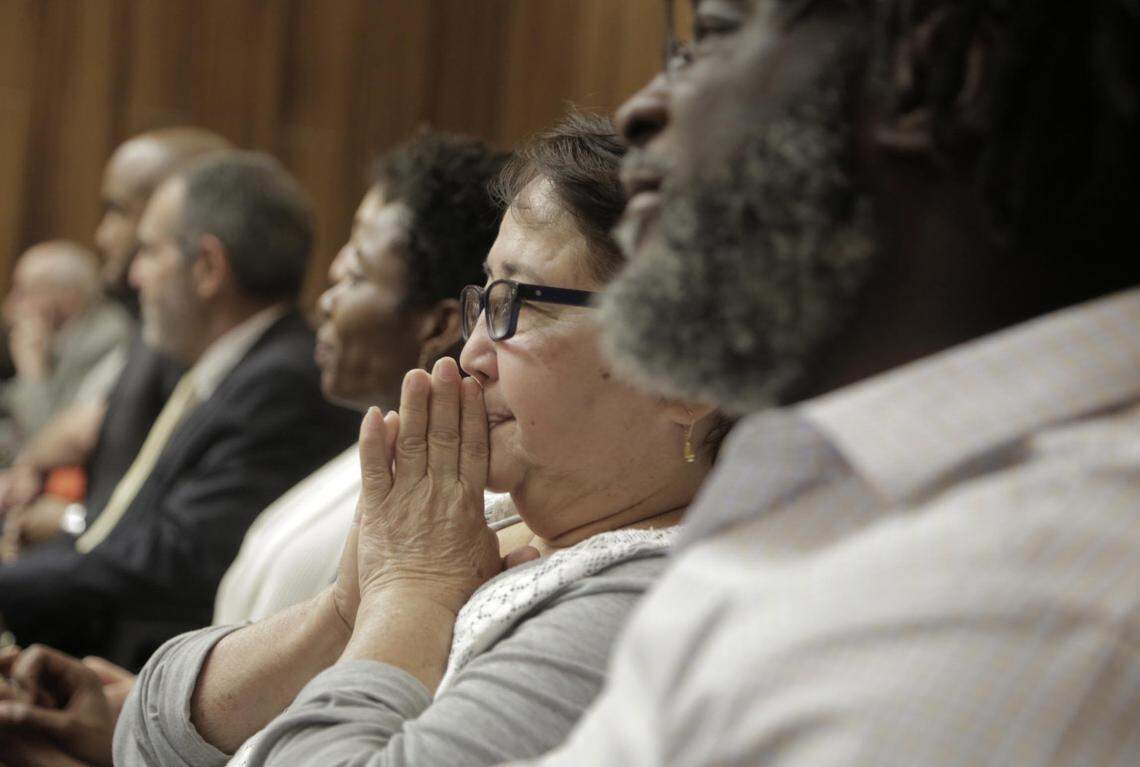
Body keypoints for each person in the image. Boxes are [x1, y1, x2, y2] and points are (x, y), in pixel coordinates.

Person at [506, 0, 1140, 764]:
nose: (642, 112)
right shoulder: (846, 483)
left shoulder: (1030, 607)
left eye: (712, 41)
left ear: (931, 73)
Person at [98, 113, 725, 766]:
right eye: (486, 297)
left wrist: (408, 595)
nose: (473, 350)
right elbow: (149, 729)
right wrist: (346, 609)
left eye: (524, 304)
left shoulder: (646, 607)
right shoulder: (480, 519)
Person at [0, 151, 360, 668]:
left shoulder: (280, 382)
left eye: (148, 251)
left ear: (208, 268)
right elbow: (127, 526)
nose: (134, 275)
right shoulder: (219, 365)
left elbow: (171, 561)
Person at [216, 131, 509, 623]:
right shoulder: (372, 443)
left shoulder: (457, 503)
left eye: (355, 277)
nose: (326, 300)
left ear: (437, 324)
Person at [0, 128, 231, 560]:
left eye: (118, 210)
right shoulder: (149, 337)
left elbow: (145, 539)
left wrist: (65, 520)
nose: (103, 235)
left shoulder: (172, 346)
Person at [0, 242, 131, 464]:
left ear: (68, 296)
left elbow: (50, 440)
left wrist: (31, 372)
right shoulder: (59, 338)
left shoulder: (104, 340)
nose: (10, 306)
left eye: (24, 292)